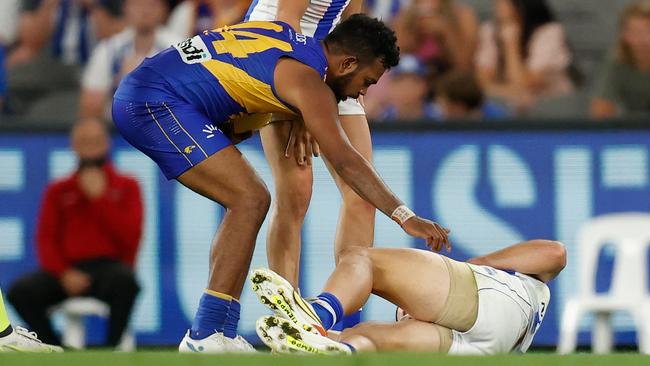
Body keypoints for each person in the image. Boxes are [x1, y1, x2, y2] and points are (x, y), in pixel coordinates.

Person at [111, 15, 450, 353]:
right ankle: (205, 333)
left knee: (249, 199)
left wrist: (292, 114)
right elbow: (346, 160)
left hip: (149, 91)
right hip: (153, 102)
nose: (363, 91)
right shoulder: (309, 83)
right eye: (367, 81)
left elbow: (227, 92)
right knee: (249, 198)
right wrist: (404, 215)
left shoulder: (283, 37)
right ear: (347, 63)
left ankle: (219, 332)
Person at [245, 0, 378, 293]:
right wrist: (303, 105)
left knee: (363, 193)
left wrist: (351, 75)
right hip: (274, 50)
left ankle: (338, 307)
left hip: (327, 60)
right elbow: (286, 19)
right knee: (295, 193)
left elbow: (350, 20)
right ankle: (289, 318)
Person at [253, 239, 566, 354]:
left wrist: (473, 266)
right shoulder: (535, 294)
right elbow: (555, 253)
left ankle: (317, 317)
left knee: (362, 260)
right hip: (482, 352)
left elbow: (554, 252)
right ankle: (335, 347)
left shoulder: (516, 281)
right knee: (364, 338)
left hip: (487, 299)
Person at [7, 119, 143, 348]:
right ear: (73, 145)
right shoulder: (59, 189)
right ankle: (55, 347)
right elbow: (46, 239)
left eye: (95, 141)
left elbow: (131, 236)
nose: (90, 147)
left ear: (106, 144)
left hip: (108, 268)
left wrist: (100, 199)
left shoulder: (126, 186)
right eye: (84, 141)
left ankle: (111, 350)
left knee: (126, 283)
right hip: (67, 269)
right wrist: (63, 273)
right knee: (20, 292)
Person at [80, 0, 181, 119]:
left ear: (164, 10)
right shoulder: (109, 49)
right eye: (138, 5)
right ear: (126, 8)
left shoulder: (178, 48)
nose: (145, 11)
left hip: (167, 125)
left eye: (152, 5)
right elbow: (90, 103)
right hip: (116, 127)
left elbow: (191, 101)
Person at [475, 0, 573, 114]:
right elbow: (481, 82)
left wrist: (511, 47)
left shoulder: (550, 32)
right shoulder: (490, 30)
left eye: (504, 4)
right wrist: (510, 92)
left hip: (552, 110)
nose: (498, 9)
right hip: (505, 108)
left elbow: (525, 85)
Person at [590, 0, 650, 119]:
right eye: (635, 33)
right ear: (624, 35)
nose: (642, 41)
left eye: (647, 32)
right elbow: (600, 110)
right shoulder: (616, 61)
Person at [434, 70, 508, 121]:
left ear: (459, 107)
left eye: (443, 104)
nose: (440, 110)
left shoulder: (502, 122)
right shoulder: (432, 117)